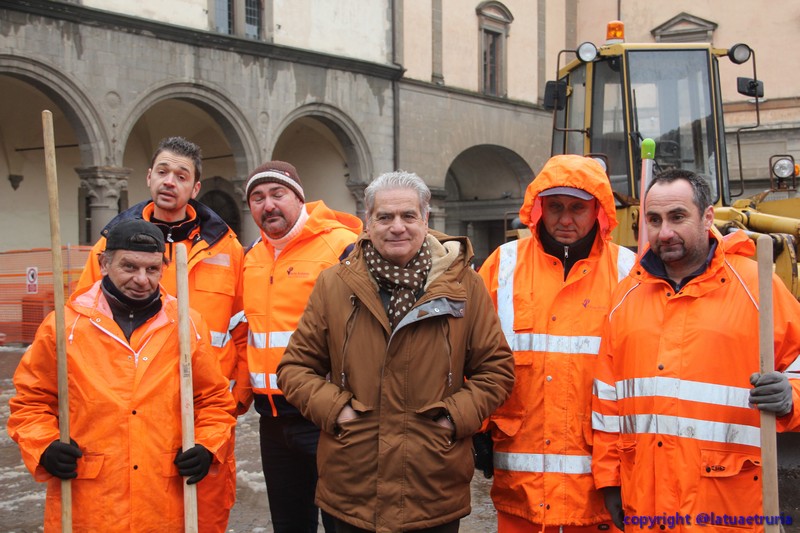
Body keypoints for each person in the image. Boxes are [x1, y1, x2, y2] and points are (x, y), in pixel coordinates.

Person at [276, 170, 515, 532]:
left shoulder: (465, 286)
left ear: (426, 219)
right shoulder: (334, 285)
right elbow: (294, 368)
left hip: (432, 482)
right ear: (367, 223)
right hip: (353, 483)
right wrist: (338, 410)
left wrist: (453, 418)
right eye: (384, 217)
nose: (397, 227)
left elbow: (496, 369)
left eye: (408, 216)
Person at [591, 169, 800, 531]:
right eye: (653, 220)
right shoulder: (626, 296)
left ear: (706, 217)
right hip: (647, 505)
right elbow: (608, 401)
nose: (664, 232)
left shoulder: (756, 285)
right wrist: (609, 479)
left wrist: (791, 398)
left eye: (677, 217)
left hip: (728, 508)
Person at [8, 219, 236, 532]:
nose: (142, 280)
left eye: (153, 269)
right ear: (104, 263)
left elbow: (214, 400)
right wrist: (44, 446)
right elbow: (30, 402)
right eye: (129, 267)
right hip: (91, 504)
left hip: (163, 502)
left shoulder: (186, 324)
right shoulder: (64, 326)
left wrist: (208, 446)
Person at [75, 136, 244, 532]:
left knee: (202, 515)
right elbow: (83, 323)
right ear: (149, 177)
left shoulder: (226, 247)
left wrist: (234, 401)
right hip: (130, 412)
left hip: (204, 414)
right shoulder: (112, 242)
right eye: (163, 172)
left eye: (181, 175)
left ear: (195, 188)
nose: (170, 181)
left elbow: (242, 325)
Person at [477, 154, 636, 532]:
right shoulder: (504, 264)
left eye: (578, 209)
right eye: (555, 207)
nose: (565, 220)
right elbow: (473, 351)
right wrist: (478, 426)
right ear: (538, 209)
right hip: (521, 486)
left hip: (602, 483)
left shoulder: (628, 270)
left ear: (598, 210)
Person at [236, 160, 362, 532]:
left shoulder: (340, 245)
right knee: (290, 524)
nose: (268, 205)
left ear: (299, 198)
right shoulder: (252, 256)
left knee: (343, 521)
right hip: (272, 417)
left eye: (278, 194)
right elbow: (248, 334)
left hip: (326, 414)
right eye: (257, 198)